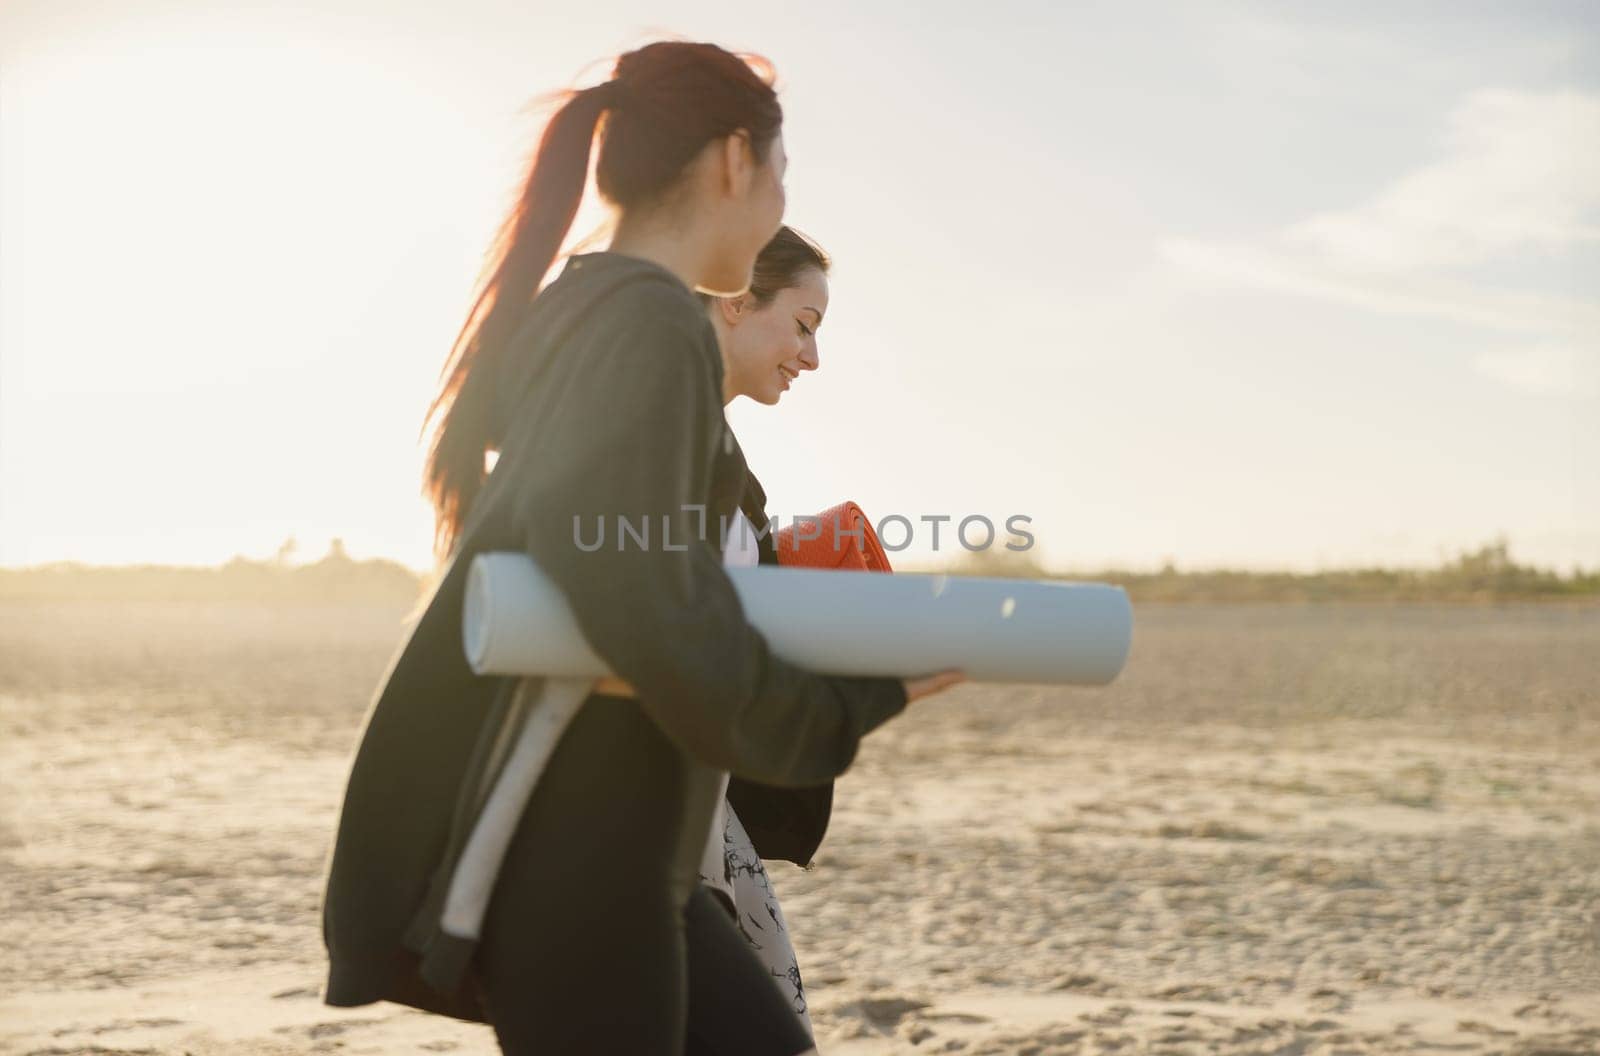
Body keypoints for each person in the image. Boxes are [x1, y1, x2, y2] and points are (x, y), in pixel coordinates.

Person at [318, 41, 961, 1056]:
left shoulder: (592, 306)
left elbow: (630, 567)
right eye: (781, 175)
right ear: (733, 162)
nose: (775, 204)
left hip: (610, 852)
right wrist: (856, 698)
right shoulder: (646, 321)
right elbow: (638, 601)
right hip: (584, 855)